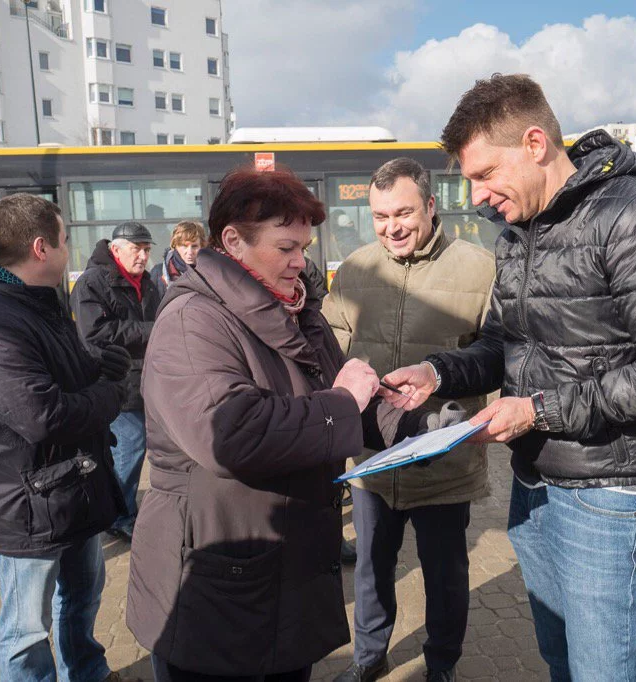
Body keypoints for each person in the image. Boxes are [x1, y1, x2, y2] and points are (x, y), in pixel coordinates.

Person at [381, 74, 636, 680]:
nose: (478, 197)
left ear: (535, 142)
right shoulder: (520, 231)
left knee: (602, 671)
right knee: (562, 660)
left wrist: (537, 411)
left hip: (611, 495)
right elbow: (504, 345)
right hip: (536, 483)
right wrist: (437, 372)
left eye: (485, 175)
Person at [125, 166, 434, 682]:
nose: (300, 262)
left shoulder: (297, 311)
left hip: (287, 577)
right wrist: (342, 400)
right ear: (233, 242)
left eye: (304, 248)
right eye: (287, 247)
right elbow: (230, 433)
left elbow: (348, 405)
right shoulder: (193, 319)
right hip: (216, 585)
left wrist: (424, 425)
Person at [323, 158, 495, 682]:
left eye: (402, 212)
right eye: (378, 216)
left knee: (446, 576)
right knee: (373, 570)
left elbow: (499, 351)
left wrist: (441, 378)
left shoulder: (480, 267)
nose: (391, 227)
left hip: (444, 459)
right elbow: (330, 346)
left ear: (430, 206)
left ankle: (441, 664)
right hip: (373, 458)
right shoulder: (354, 269)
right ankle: (368, 659)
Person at [0, 193, 133, 682]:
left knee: (81, 599)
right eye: (65, 240)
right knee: (26, 632)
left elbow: (60, 374)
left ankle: (87, 673)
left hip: (70, 488)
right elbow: (42, 414)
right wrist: (111, 393)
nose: (70, 249)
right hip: (28, 507)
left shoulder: (38, 304)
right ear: (40, 247)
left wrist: (98, 365)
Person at [72, 222, 161, 542]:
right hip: (115, 380)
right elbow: (94, 335)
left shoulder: (149, 282)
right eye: (136, 249)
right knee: (131, 447)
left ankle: (118, 508)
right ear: (116, 250)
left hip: (146, 379)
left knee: (132, 448)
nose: (142, 256)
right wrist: (151, 331)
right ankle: (119, 515)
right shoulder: (92, 283)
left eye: (147, 250)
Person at [151, 220, 206, 292]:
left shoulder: (211, 271)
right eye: (184, 246)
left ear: (202, 246)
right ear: (175, 246)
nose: (189, 252)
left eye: (194, 246)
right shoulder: (158, 272)